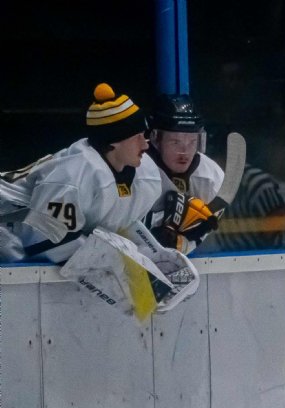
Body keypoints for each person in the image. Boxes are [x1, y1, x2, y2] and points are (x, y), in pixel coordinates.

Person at [0, 83, 197, 319]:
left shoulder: (145, 172)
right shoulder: (72, 176)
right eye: (137, 137)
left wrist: (155, 254)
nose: (145, 145)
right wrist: (131, 281)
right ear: (113, 142)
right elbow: (43, 244)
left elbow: (117, 227)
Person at [145, 93, 224, 254]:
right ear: (156, 139)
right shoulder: (138, 168)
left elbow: (195, 239)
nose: (185, 152)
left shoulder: (212, 177)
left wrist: (181, 242)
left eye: (192, 142)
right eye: (175, 142)